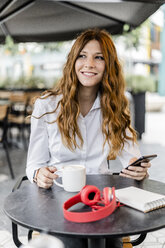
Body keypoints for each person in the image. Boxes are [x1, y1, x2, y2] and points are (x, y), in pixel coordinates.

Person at [26, 28, 151, 248]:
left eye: (99, 57)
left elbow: (132, 158)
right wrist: (39, 174)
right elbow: (34, 165)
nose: (89, 64)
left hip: (101, 199)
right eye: (82, 56)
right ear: (73, 61)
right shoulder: (46, 106)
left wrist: (138, 168)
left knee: (109, 242)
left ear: (108, 66)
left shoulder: (116, 106)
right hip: (59, 198)